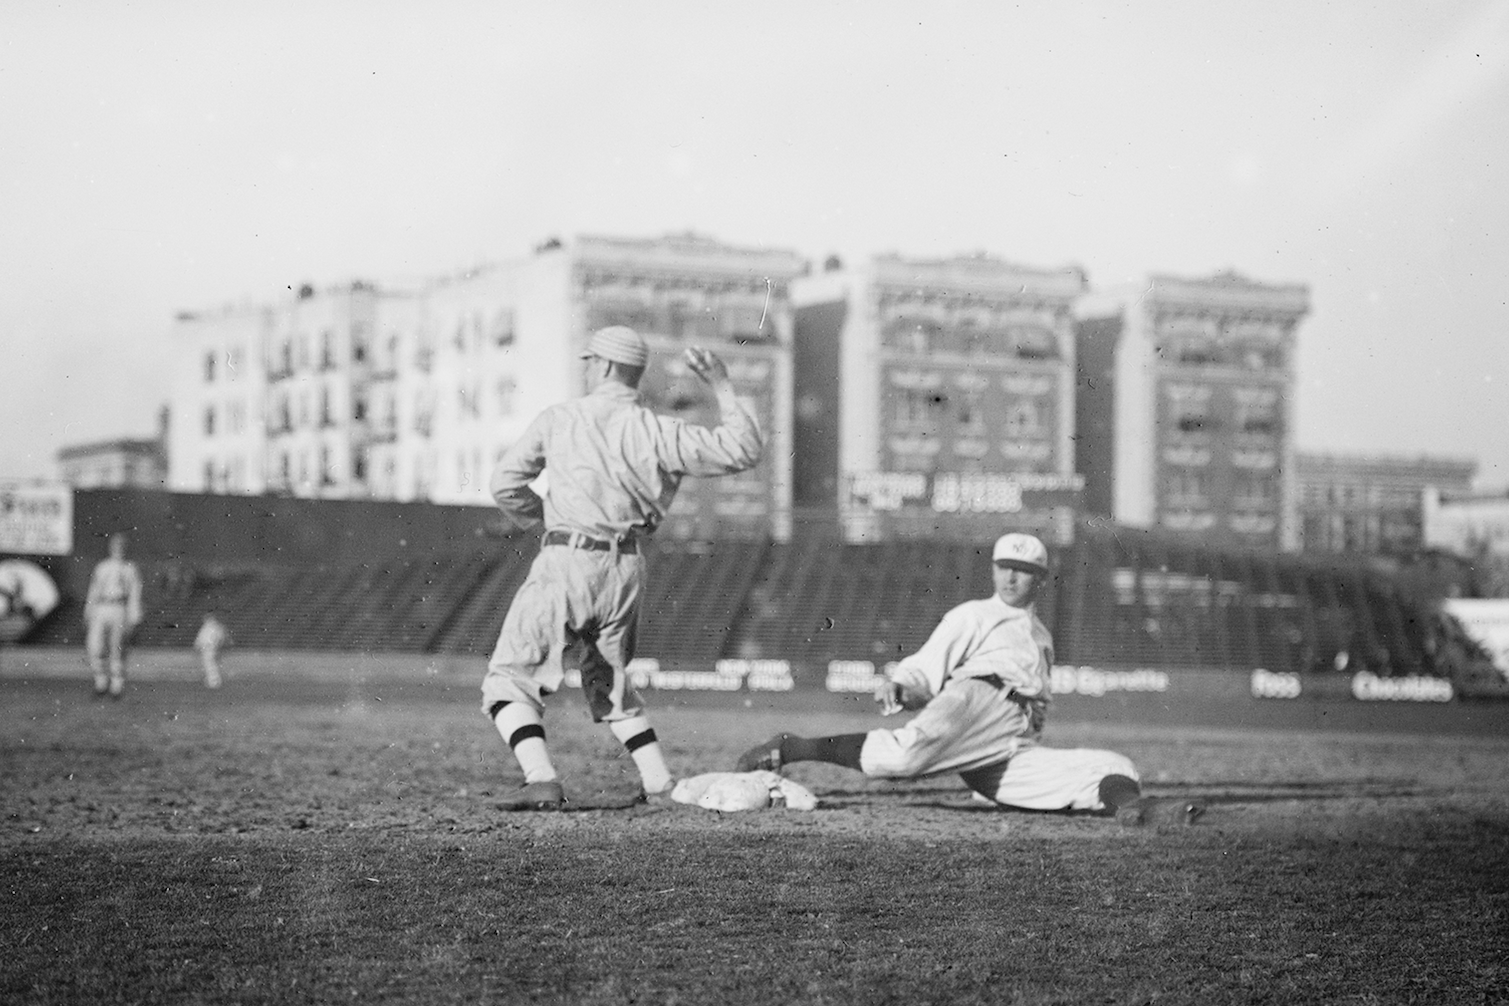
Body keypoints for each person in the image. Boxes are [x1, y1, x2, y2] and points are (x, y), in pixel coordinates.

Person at [735, 532, 1203, 826]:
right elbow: (928, 664)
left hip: (1009, 742)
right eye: (1005, 567)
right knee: (903, 759)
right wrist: (904, 683)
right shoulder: (976, 613)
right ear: (993, 569)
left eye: (1024, 571)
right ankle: (794, 746)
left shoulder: (1040, 633)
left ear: (1040, 579)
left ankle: (1135, 811)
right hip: (977, 701)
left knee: (1109, 764)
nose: (1012, 578)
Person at [483, 325, 765, 810]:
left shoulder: (561, 418)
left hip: (568, 557)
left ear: (607, 365)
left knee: (509, 678)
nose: (585, 367)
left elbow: (505, 483)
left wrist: (547, 521)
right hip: (627, 568)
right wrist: (721, 385)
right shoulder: (661, 430)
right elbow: (743, 450)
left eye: (589, 359)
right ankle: (658, 783)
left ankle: (541, 777)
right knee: (608, 679)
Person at [84, 533, 143, 699]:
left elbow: (135, 594)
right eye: (116, 545)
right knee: (95, 646)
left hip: (120, 607)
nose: (119, 549)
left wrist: (134, 617)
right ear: (111, 547)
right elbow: (93, 590)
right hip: (102, 607)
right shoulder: (102, 567)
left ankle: (117, 686)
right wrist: (88, 611)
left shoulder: (131, 568)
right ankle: (100, 682)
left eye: (122, 546)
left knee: (118, 647)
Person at [194, 612, 232, 689]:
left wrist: (197, 646)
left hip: (208, 648)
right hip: (213, 648)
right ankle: (213, 680)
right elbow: (222, 637)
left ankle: (213, 682)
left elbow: (201, 638)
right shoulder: (217, 627)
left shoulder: (207, 628)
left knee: (209, 665)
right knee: (213, 664)